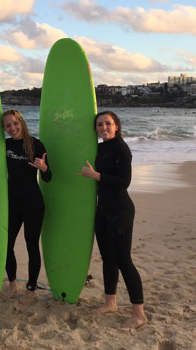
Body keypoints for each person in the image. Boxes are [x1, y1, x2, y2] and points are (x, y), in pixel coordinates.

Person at [77, 111, 148, 329]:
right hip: (103, 210)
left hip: (120, 210)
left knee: (124, 260)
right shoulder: (100, 148)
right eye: (99, 124)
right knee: (108, 258)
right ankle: (111, 303)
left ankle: (139, 314)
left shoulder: (121, 148)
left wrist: (96, 176)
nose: (103, 127)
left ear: (116, 125)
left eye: (108, 123)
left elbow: (124, 181)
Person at [2, 109, 52, 305]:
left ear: (21, 122)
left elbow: (48, 177)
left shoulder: (36, 144)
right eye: (8, 125)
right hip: (12, 202)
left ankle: (31, 288)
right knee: (6, 245)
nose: (12, 128)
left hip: (32, 202)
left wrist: (44, 168)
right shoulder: (4, 145)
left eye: (15, 123)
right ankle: (13, 283)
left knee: (32, 245)